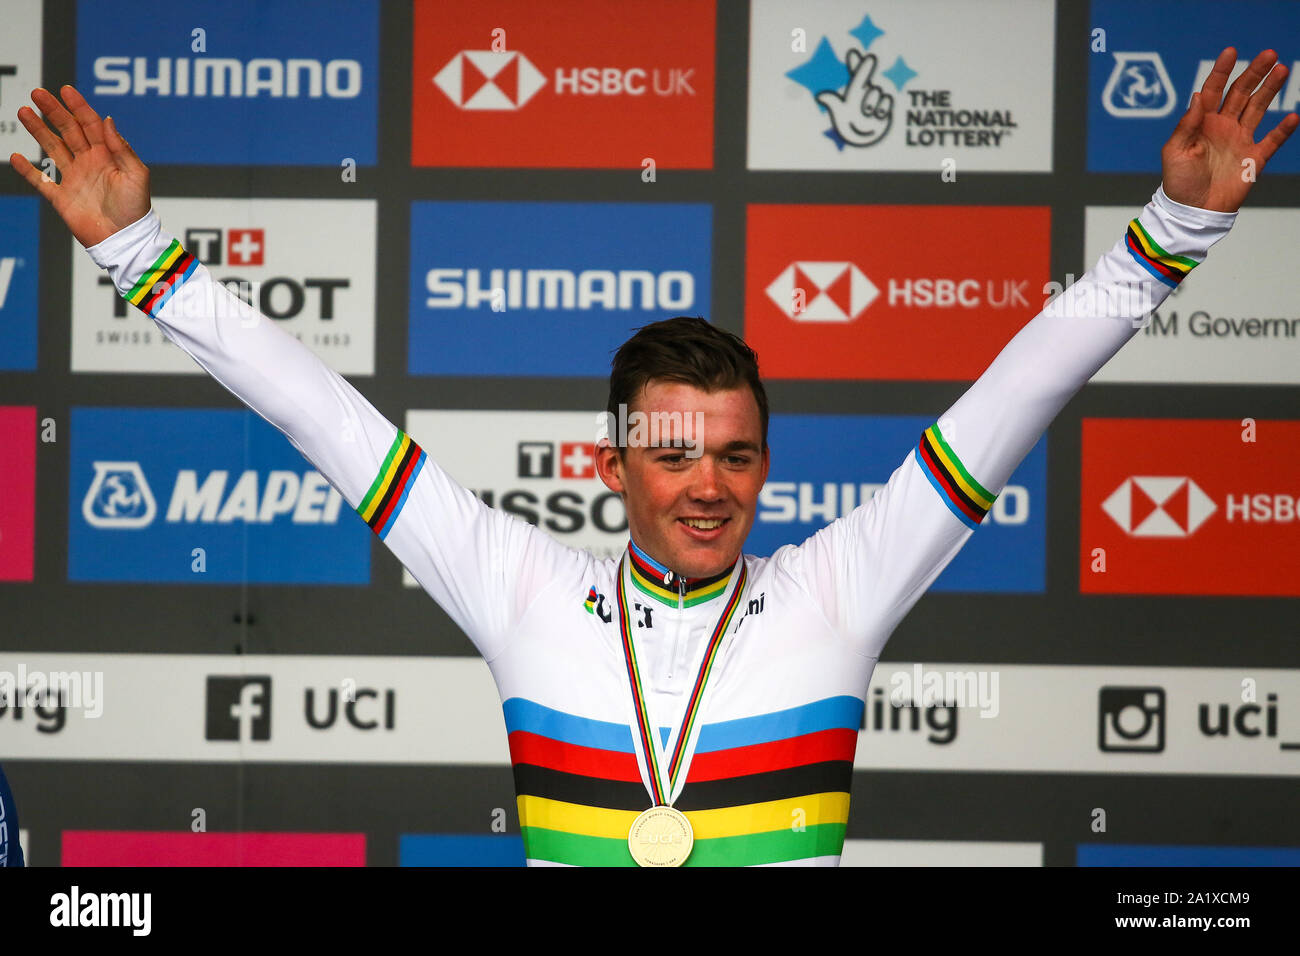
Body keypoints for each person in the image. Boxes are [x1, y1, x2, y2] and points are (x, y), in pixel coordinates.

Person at [11, 48, 1296, 867]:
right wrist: (139, 259)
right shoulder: (518, 583)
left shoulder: (833, 587)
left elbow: (1016, 395)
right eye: (676, 454)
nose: (709, 485)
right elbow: (325, 420)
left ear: (766, 466)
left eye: (738, 457)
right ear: (611, 463)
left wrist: (1169, 229)